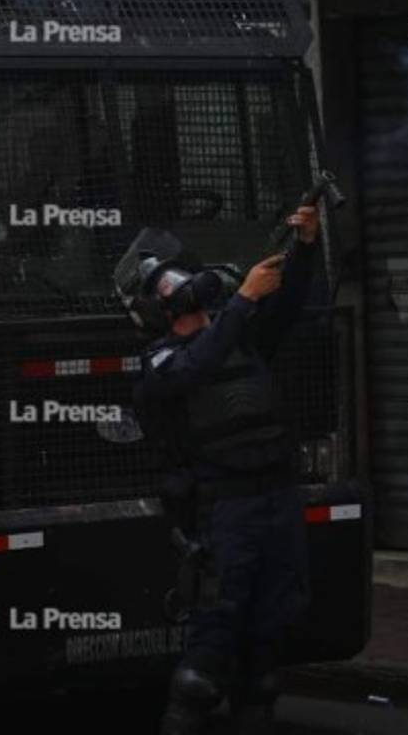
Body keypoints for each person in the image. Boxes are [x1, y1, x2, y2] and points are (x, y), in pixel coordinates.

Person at [132, 206, 320, 735]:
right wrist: (242, 302)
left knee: (266, 658)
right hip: (224, 510)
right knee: (206, 659)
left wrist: (303, 247)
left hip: (277, 501)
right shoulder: (160, 363)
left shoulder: (238, 339)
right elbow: (196, 368)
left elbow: (287, 307)